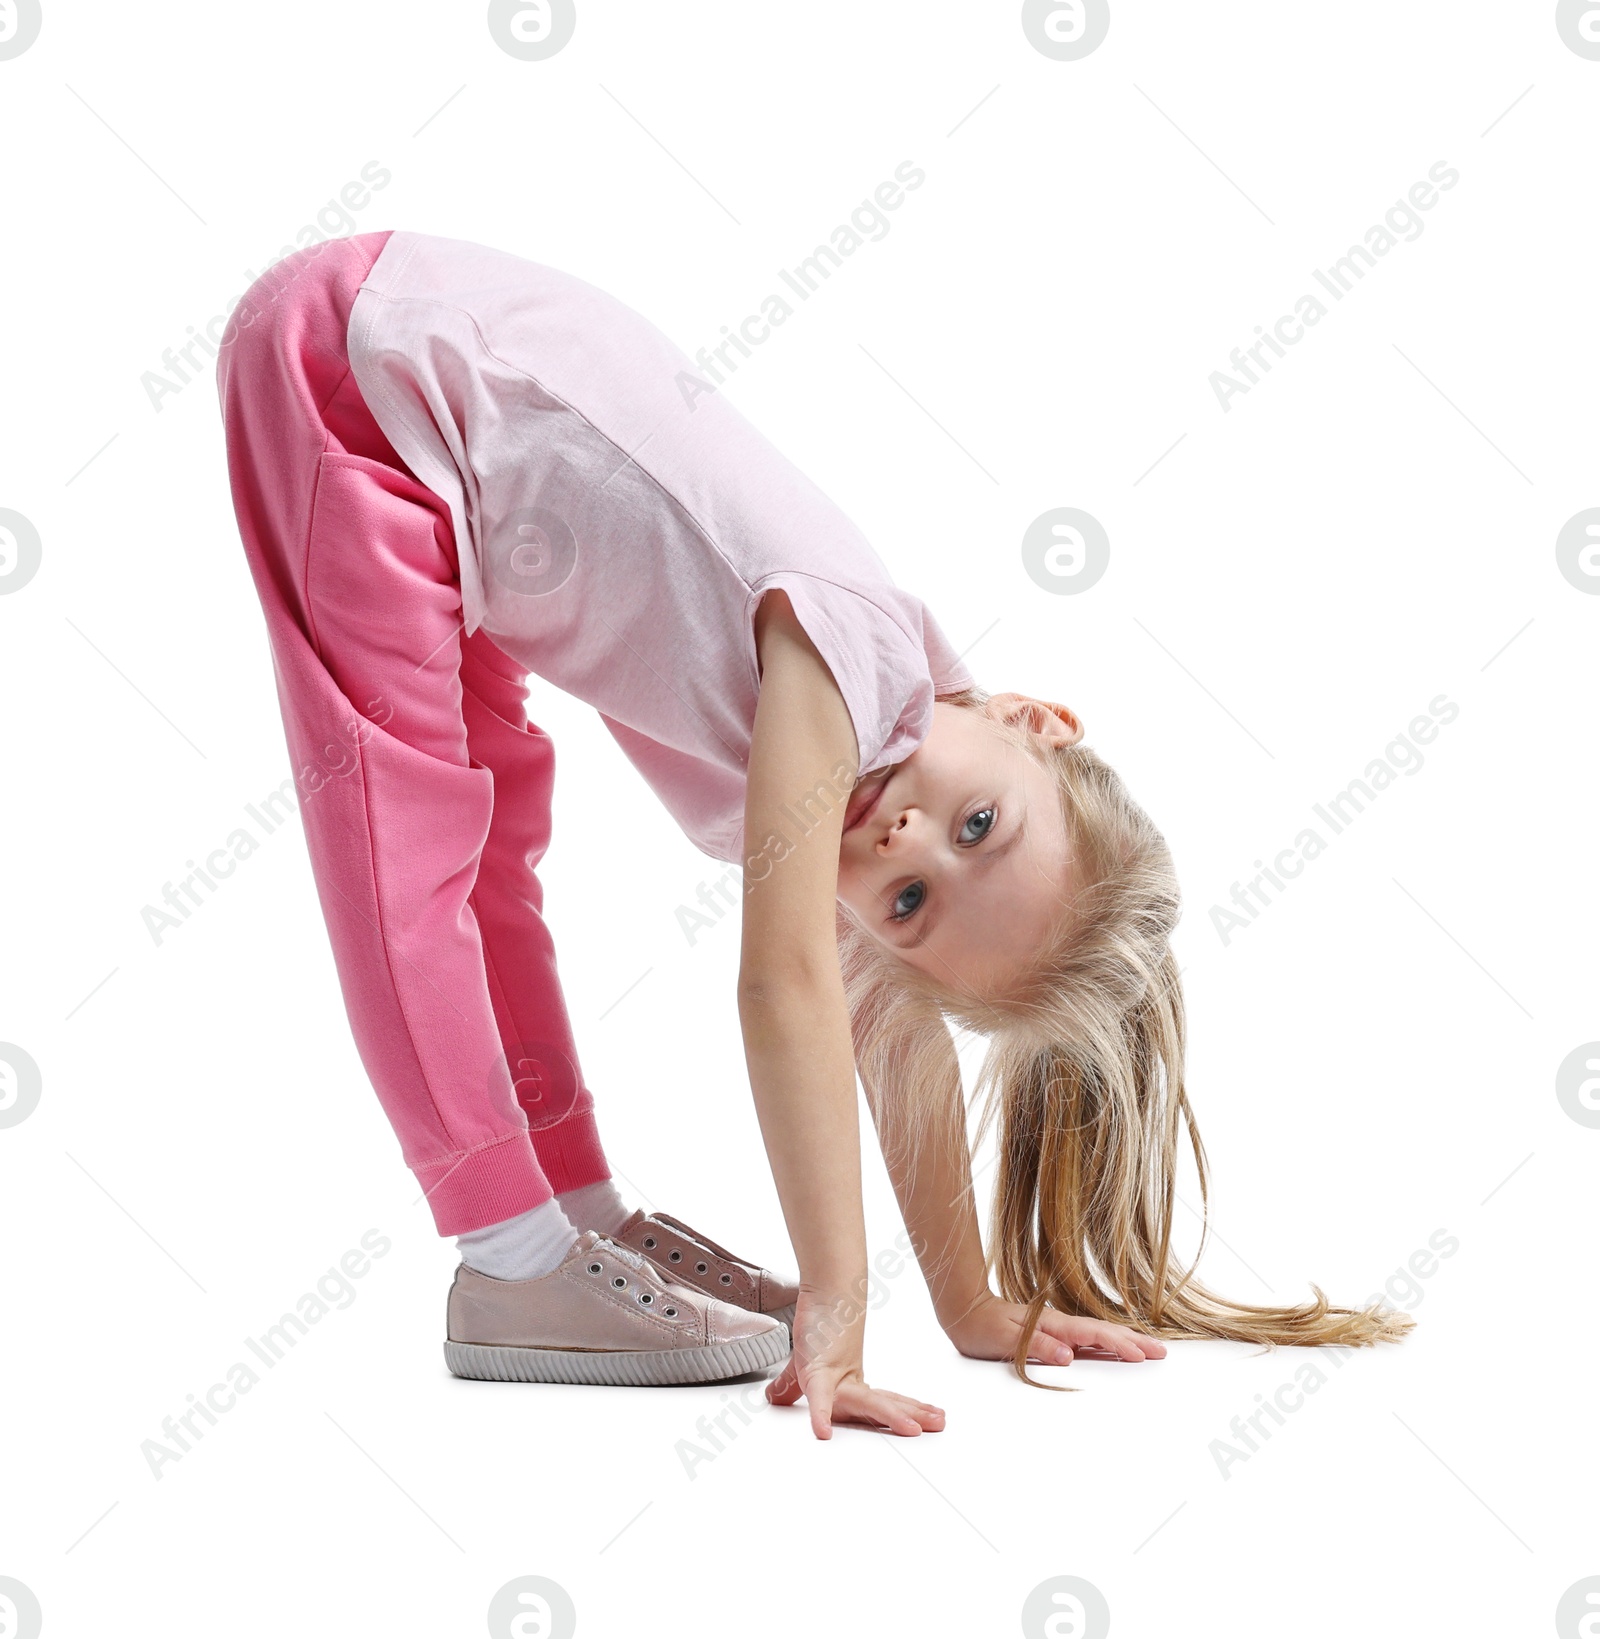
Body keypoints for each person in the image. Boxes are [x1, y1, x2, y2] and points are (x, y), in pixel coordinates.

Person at [216, 229, 1410, 1441]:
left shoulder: (878, 763)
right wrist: (838, 1299)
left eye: (910, 905)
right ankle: (509, 1255)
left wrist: (967, 1298)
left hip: (440, 420)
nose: (906, 840)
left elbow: (895, 1038)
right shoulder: (847, 664)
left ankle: (570, 1210)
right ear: (1031, 717)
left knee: (493, 855)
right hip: (362, 376)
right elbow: (785, 986)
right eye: (978, 826)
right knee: (404, 849)